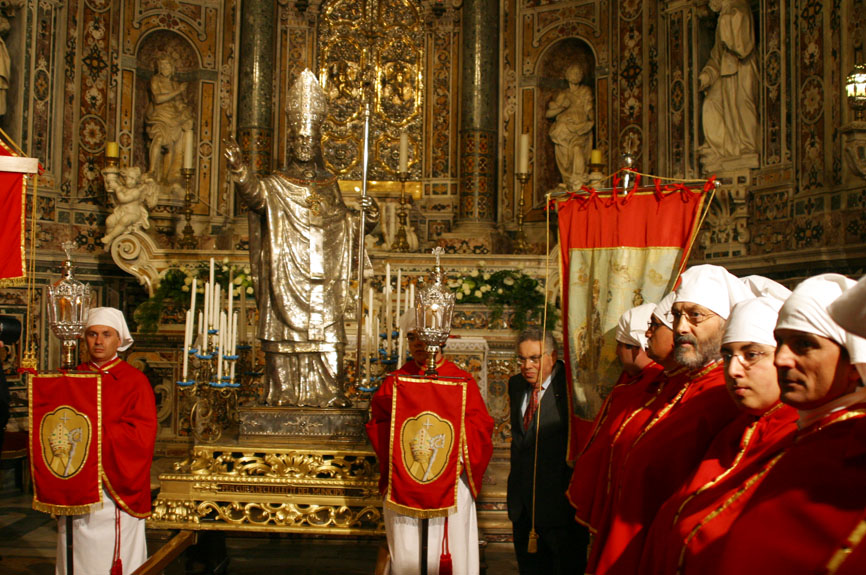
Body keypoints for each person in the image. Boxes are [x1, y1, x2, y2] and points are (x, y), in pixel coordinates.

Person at [225, 69, 379, 407]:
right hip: (286, 273)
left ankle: (331, 393)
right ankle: (283, 394)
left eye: (309, 141)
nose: (304, 146)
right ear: (292, 144)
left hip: (324, 279)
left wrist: (367, 219)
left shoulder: (329, 184)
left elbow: (344, 226)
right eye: (298, 141)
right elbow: (256, 197)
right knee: (282, 335)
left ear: (317, 143)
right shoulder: (277, 183)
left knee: (330, 338)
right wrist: (239, 170)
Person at [587, 265, 750, 575]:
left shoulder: (728, 394)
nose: (681, 328)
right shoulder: (683, 382)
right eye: (676, 316)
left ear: (727, 322)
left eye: (695, 315)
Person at [714, 274, 866, 574]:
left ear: (853, 364)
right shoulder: (812, 437)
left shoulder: (852, 450)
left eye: (804, 344)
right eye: (780, 342)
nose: (781, 359)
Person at [640, 289, 799, 575]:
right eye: (727, 355)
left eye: (751, 354)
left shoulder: (797, 438)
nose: (734, 370)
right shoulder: (739, 428)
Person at [366, 311, 494, 575]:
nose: (417, 343)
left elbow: (480, 427)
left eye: (423, 337)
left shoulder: (461, 380)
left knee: (449, 549)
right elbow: (378, 422)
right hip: (404, 480)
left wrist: (454, 458)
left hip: (450, 480)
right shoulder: (395, 381)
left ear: (440, 339)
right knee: (407, 551)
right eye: (412, 337)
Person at [56, 307, 157, 575]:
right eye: (92, 334)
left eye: (106, 334)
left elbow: (141, 435)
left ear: (119, 339)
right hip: (76, 480)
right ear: (84, 339)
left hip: (115, 487)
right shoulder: (70, 376)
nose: (98, 341)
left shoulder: (135, 381)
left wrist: (92, 434)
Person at [566, 304, 662, 535]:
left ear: (637, 347)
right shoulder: (632, 383)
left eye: (620, 345)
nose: (617, 352)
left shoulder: (648, 388)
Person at [507, 327, 589, 574]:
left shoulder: (573, 389)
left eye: (534, 358)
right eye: (522, 359)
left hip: (559, 509)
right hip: (523, 507)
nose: (527, 366)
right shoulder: (516, 385)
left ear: (552, 357)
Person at [698, 0, 759, 167]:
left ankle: (747, 148)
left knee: (742, 105)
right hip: (725, 71)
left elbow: (743, 48)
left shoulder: (739, 11)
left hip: (742, 68)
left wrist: (726, 25)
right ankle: (719, 149)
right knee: (711, 104)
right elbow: (716, 56)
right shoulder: (722, 18)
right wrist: (706, 76)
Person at [145, 52, 194, 187]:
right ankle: (152, 171)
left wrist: (184, 110)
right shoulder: (156, 80)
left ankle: (165, 178)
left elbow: (179, 103)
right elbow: (157, 99)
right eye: (162, 65)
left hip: (173, 118)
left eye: (167, 65)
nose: (165, 68)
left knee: (170, 147)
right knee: (158, 139)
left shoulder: (175, 84)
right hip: (159, 116)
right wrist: (178, 91)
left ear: (172, 67)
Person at [546, 62, 594, 189]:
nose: (577, 75)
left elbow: (589, 109)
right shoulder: (564, 94)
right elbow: (549, 114)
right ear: (568, 76)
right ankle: (568, 182)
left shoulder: (585, 91)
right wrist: (562, 107)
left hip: (580, 128)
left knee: (577, 149)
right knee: (566, 158)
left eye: (579, 73)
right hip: (564, 131)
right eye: (574, 72)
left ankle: (578, 182)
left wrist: (592, 118)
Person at [101, 166, 159, 247]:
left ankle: (110, 237)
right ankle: (110, 243)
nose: (131, 181)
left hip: (133, 214)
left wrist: (117, 189)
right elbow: (111, 191)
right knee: (109, 221)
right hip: (121, 212)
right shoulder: (122, 188)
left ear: (137, 180)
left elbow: (123, 199)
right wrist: (109, 181)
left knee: (125, 220)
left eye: (133, 179)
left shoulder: (136, 191)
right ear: (125, 178)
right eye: (130, 178)